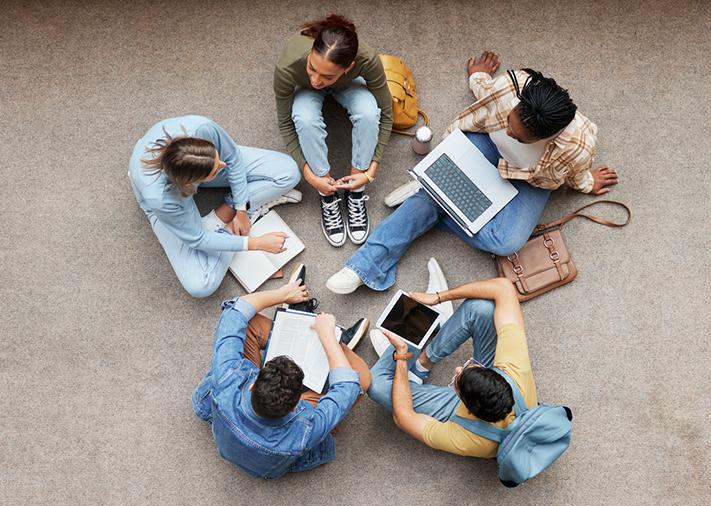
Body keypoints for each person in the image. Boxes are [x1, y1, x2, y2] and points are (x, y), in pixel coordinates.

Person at [326, 51, 619, 294]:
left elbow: (575, 172)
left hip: (531, 177)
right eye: (508, 121)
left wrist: (587, 182)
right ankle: (364, 265)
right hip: (483, 145)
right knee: (443, 199)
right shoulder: (512, 86)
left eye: (517, 135)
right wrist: (478, 76)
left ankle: (432, 194)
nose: (507, 130)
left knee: (505, 243)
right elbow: (486, 92)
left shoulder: (578, 146)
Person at [192, 265, 371, 479]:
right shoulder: (303, 432)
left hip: (228, 419)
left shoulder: (228, 378)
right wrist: (328, 339)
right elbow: (349, 387)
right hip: (279, 458)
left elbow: (236, 312)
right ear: (297, 404)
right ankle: (327, 340)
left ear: (252, 384)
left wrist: (283, 293)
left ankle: (301, 322)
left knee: (249, 322)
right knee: (362, 375)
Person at [129, 115, 302, 297]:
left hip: (194, 171)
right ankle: (229, 226)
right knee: (201, 285)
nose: (223, 165)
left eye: (217, 157)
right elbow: (198, 239)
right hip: (168, 199)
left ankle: (229, 210)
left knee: (289, 172)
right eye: (215, 170)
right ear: (192, 183)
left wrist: (241, 208)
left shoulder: (202, 128)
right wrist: (254, 243)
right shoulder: (161, 199)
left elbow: (232, 158)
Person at [367, 277, 537, 459]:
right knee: (481, 308)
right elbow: (503, 287)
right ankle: (421, 365)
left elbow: (403, 417)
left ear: (467, 409)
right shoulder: (515, 367)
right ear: (499, 375)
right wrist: (439, 297)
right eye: (467, 367)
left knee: (376, 385)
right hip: (499, 395)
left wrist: (401, 355)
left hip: (475, 422)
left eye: (458, 380)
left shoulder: (468, 439)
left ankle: (414, 335)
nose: (457, 369)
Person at [274, 14, 393, 247]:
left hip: (347, 85)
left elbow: (387, 113)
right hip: (304, 92)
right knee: (303, 118)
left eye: (326, 75)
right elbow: (285, 122)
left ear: (348, 67)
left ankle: (355, 185)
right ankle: (326, 190)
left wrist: (369, 173)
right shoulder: (288, 68)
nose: (317, 80)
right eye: (312, 67)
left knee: (370, 113)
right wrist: (310, 175)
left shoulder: (366, 60)